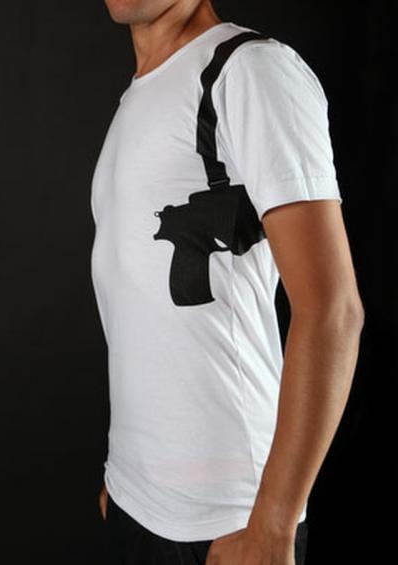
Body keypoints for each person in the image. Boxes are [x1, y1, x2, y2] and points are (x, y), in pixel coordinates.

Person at [90, 1, 365, 564]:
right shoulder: (136, 98)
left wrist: (273, 524)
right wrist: (128, 475)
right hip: (134, 499)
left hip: (230, 518)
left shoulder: (247, 70)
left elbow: (333, 311)